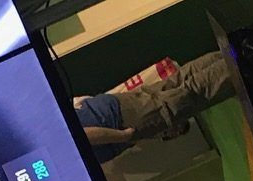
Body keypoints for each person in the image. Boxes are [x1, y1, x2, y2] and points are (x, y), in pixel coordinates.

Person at [75, 51, 237, 163]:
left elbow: (80, 136)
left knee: (189, 95)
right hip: (106, 108)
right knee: (179, 81)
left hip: (117, 122)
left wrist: (123, 136)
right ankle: (233, 50)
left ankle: (241, 60)